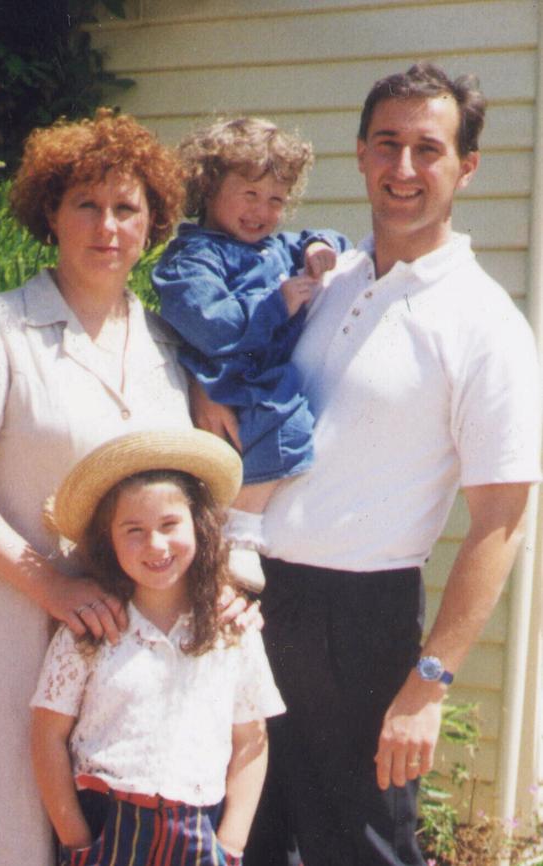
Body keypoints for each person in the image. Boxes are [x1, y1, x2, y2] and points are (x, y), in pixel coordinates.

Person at [195, 64, 542, 866]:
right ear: (360, 153)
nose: (405, 168)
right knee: (241, 836)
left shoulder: (484, 325)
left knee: (361, 847)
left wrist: (429, 684)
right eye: (388, 144)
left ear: (467, 166)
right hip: (245, 593)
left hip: (359, 625)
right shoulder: (326, 278)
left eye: (430, 148)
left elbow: (502, 519)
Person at [0, 110, 253, 866]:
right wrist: (50, 587)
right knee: (1, 822)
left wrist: (229, 577)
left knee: (107, 831)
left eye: (127, 208)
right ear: (50, 214)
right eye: (86, 205)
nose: (107, 227)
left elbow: (202, 493)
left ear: (153, 222)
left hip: (130, 635)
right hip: (10, 612)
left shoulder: (169, 345)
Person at [31, 428, 286, 866]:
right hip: (106, 826)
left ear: (199, 524)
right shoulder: (90, 629)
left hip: (200, 831)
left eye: (170, 525)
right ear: (108, 539)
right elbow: (47, 735)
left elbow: (251, 741)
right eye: (134, 530)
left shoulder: (231, 630)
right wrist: (77, 842)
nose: (155, 545)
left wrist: (230, 846)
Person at [152, 118, 351, 590]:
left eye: (276, 200)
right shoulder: (194, 255)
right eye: (250, 195)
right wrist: (276, 304)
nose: (262, 211)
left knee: (285, 423)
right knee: (283, 424)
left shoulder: (273, 249)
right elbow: (208, 322)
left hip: (258, 378)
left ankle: (232, 527)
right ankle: (238, 533)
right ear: (209, 187)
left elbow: (330, 241)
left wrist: (319, 246)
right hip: (225, 375)